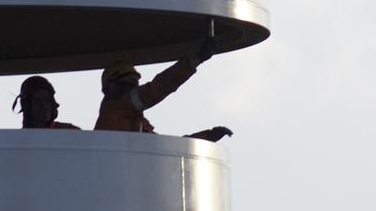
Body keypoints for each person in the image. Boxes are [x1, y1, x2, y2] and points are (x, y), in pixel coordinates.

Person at [94, 36, 232, 141]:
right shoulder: (115, 109)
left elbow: (173, 149)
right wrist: (196, 59)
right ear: (110, 87)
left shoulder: (135, 123)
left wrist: (208, 137)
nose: (132, 89)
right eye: (126, 84)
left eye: (134, 84)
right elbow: (159, 87)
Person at [12, 75, 80, 129]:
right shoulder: (17, 141)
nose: (44, 105)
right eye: (38, 101)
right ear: (27, 106)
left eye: (47, 100)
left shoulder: (71, 132)